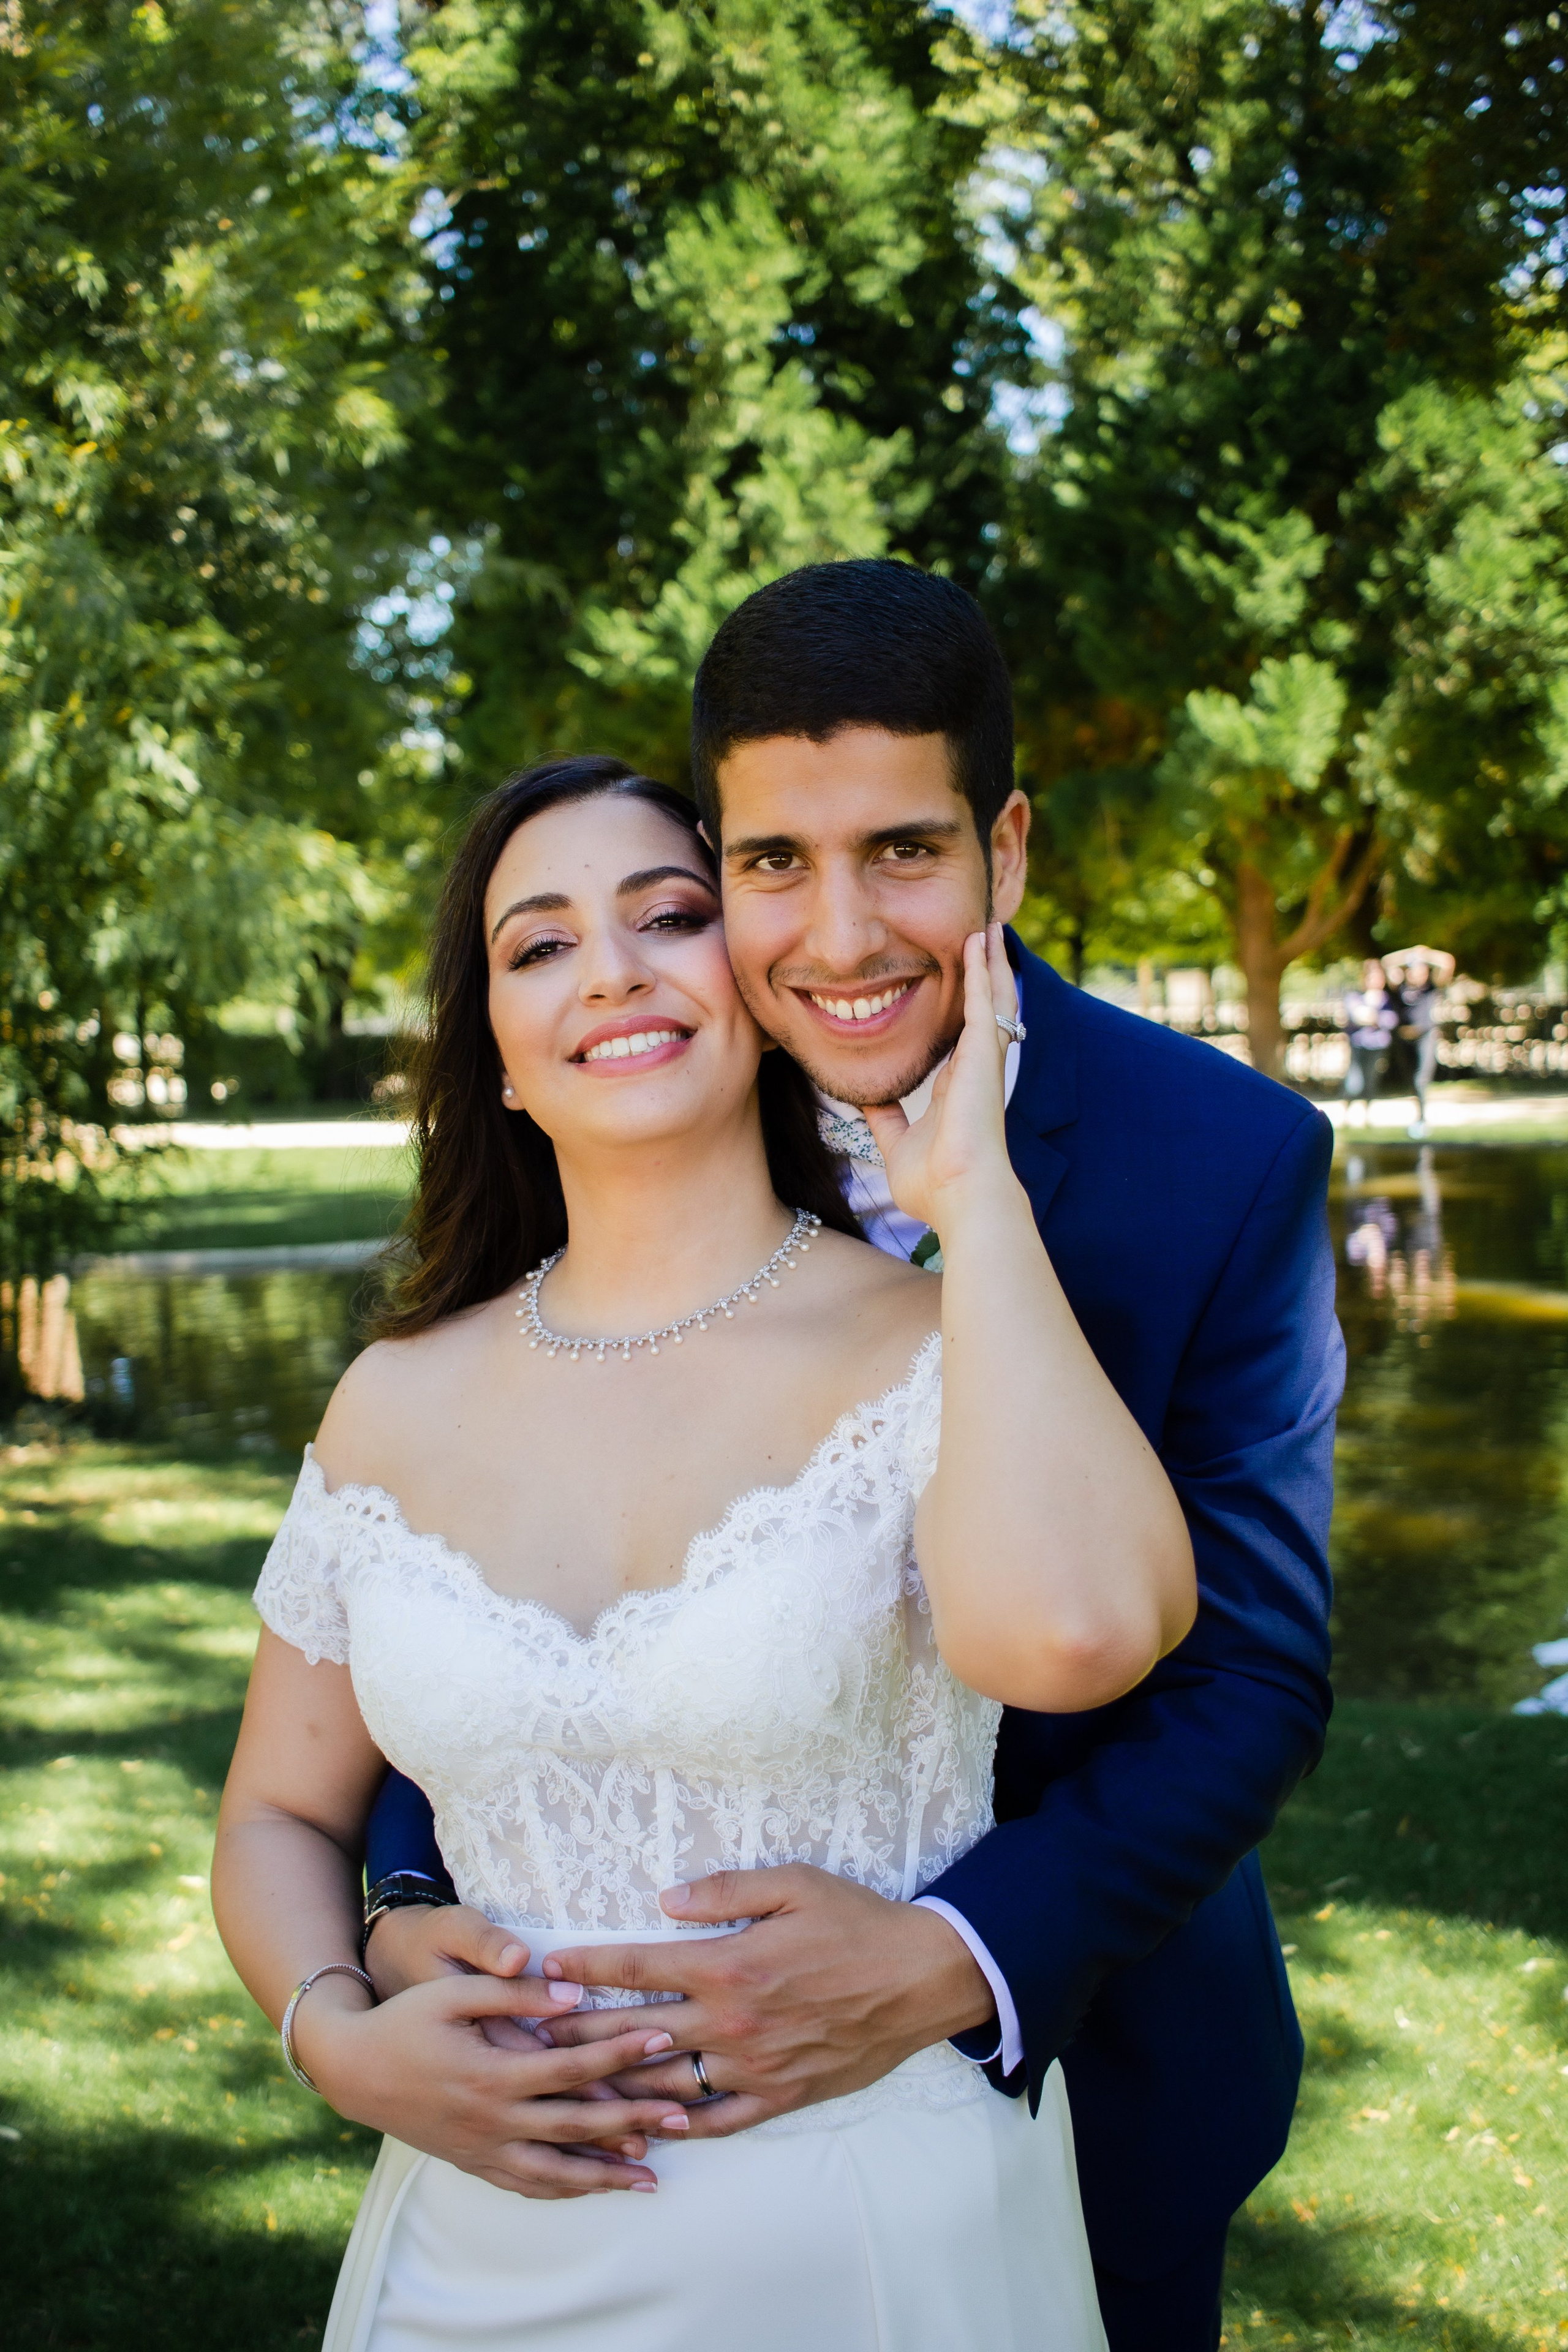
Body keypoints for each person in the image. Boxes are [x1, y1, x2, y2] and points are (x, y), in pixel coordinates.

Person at [278, 562, 1343, 2352]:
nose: (838, 938)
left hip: (1083, 2039)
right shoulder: (655, 1087)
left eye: (904, 851)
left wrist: (953, 1958)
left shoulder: (1216, 1156)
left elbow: (1247, 1674)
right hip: (602, 2136)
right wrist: (397, 1900)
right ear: (720, 859)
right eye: (773, 862)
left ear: (1003, 847)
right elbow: (484, 1571)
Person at [1381, 946, 1455, 1139]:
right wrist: (1409, 954)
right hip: (1404, 1041)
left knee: (1421, 1080)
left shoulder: (1431, 988)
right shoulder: (1400, 988)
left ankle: (1422, 1120)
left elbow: (1448, 962)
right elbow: (1386, 962)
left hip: (1425, 1038)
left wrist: (1426, 954)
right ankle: (1418, 1117)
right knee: (1411, 1081)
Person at [1340, 957, 1399, 1123]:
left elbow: (1391, 1021)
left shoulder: (1387, 999)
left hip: (1378, 1044)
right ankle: (1347, 1114)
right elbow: (1357, 1016)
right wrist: (1374, 1018)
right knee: (1354, 1081)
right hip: (1359, 1043)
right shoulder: (1354, 996)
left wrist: (1372, 1016)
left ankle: (1367, 1115)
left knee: (1371, 1079)